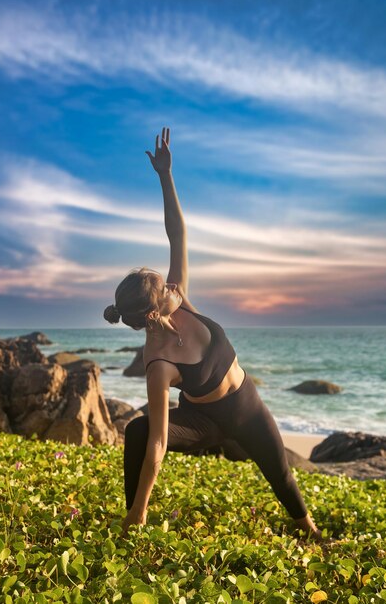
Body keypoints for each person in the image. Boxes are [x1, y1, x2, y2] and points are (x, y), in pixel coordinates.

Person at [103, 127, 323, 540]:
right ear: (152, 310)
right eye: (163, 286)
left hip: (246, 406)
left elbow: (177, 233)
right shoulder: (158, 364)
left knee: (283, 477)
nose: (171, 284)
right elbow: (158, 442)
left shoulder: (180, 296)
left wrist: (165, 176)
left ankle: (309, 531)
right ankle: (133, 522)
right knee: (137, 429)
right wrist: (142, 509)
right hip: (201, 422)